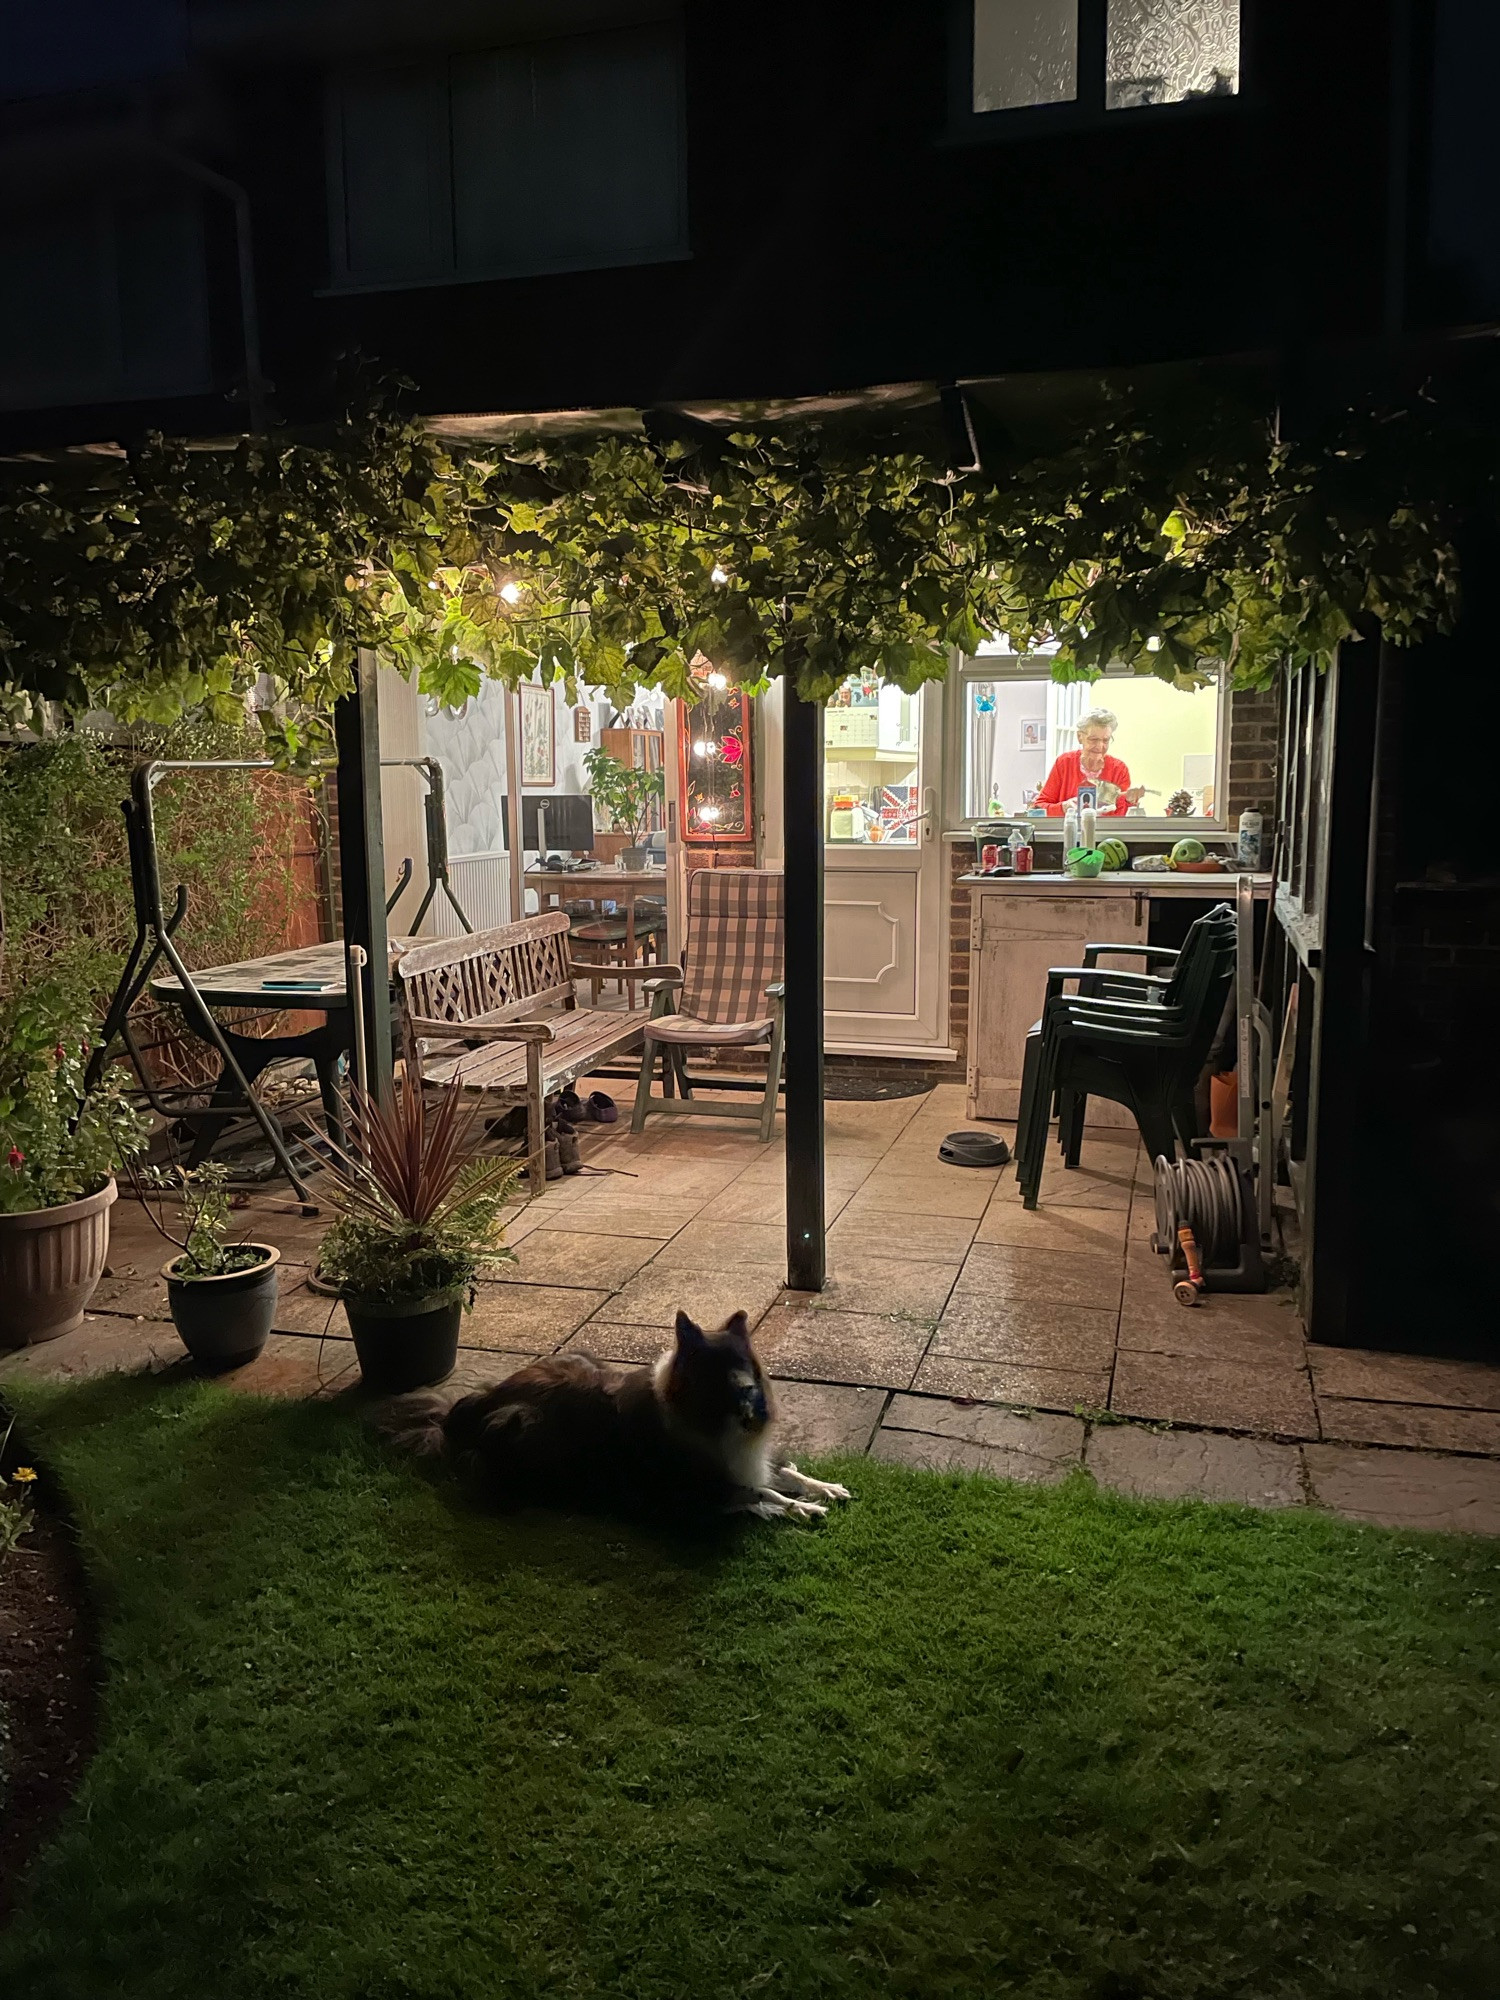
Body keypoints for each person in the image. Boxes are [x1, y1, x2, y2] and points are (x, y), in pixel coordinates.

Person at [1032, 707, 1146, 817]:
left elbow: (1121, 818)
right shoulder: (1064, 763)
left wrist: (1130, 801)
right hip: (1068, 831)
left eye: (1105, 740)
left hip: (1106, 835)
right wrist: (1063, 807)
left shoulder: (1119, 769)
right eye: (1093, 739)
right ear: (1079, 737)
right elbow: (1038, 808)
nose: (1100, 746)